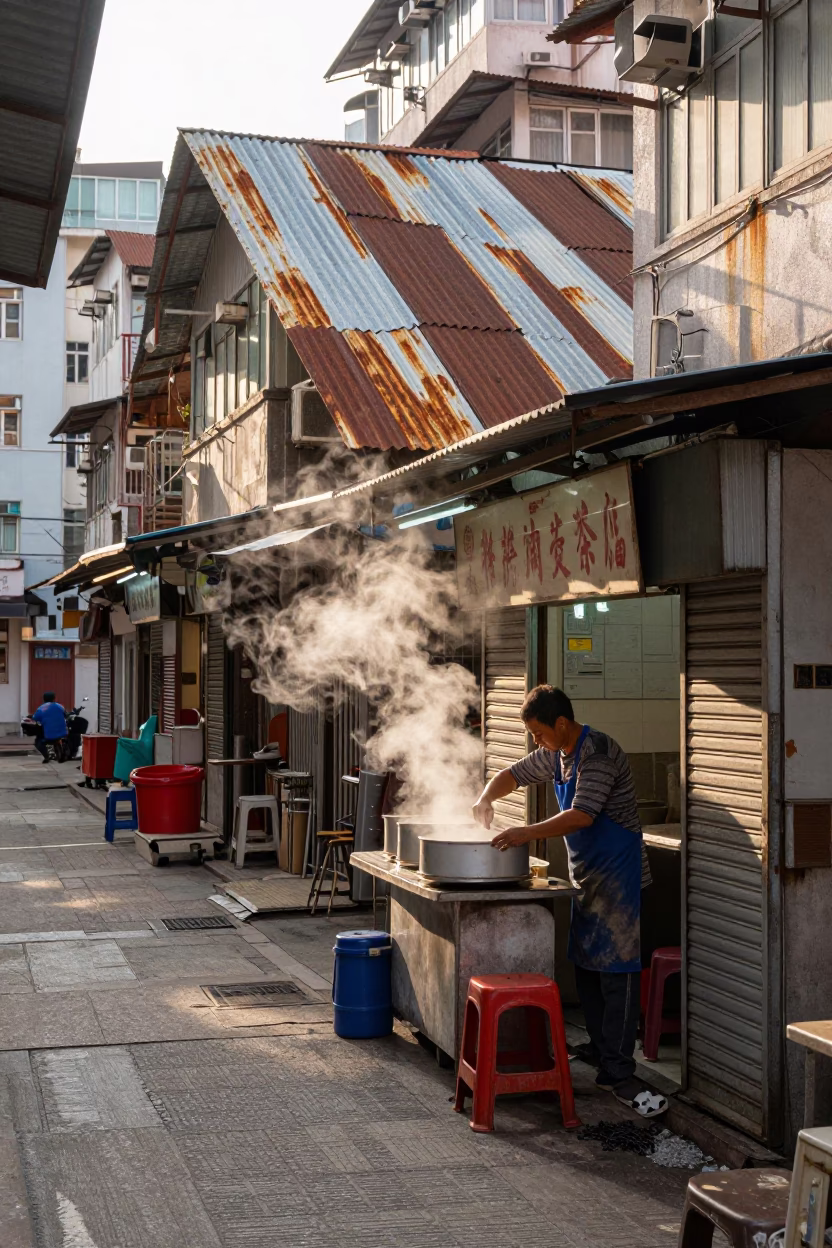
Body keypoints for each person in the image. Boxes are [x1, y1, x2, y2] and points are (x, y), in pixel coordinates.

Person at [472, 683, 667, 1118]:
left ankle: (620, 1070)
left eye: (539, 733)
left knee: (618, 971)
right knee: (587, 966)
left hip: (620, 877)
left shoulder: (596, 751)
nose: (536, 742)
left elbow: (581, 814)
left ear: (561, 724)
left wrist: (525, 833)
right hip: (588, 878)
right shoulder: (557, 753)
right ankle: (600, 1051)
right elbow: (513, 774)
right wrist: (485, 797)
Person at [31, 692, 68, 764]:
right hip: (63, 733)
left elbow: (35, 718)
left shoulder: (41, 708)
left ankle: (46, 756)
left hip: (49, 735)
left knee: (38, 743)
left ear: (43, 699)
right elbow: (65, 714)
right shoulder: (60, 706)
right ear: (54, 698)